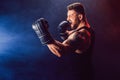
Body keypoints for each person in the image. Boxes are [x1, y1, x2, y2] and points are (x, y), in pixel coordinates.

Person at [32, 2, 95, 80]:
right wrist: (64, 33)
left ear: (80, 17)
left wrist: (43, 34)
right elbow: (71, 36)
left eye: (70, 16)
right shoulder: (87, 30)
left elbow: (60, 51)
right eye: (67, 16)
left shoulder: (81, 35)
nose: (67, 19)